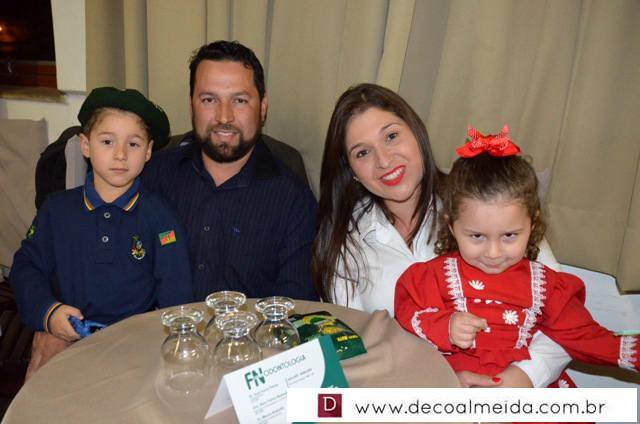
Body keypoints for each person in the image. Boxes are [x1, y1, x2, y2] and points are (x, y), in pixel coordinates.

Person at [312, 83, 571, 388]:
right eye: (363, 152)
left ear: (417, 134)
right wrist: (438, 387)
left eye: (391, 136)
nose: (384, 160)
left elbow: (566, 316)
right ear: (352, 170)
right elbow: (352, 351)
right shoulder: (345, 243)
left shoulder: (484, 201)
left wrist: (521, 378)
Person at [394, 125, 639, 386]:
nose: (493, 253)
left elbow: (584, 335)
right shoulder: (432, 277)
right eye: (476, 236)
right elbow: (407, 315)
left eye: (509, 235)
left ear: (532, 225)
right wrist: (445, 326)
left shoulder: (546, 285)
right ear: (452, 226)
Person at [10, 87, 193, 362]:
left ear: (148, 151)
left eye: (133, 144)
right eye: (107, 141)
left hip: (136, 345)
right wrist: (48, 312)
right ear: (85, 145)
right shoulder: (56, 210)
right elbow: (26, 266)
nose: (120, 154)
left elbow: (176, 291)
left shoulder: (160, 217)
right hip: (70, 337)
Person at [139, 40, 318, 302]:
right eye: (209, 99)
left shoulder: (294, 202)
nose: (224, 117)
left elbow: (295, 308)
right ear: (192, 105)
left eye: (240, 100)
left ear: (263, 107)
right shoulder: (151, 176)